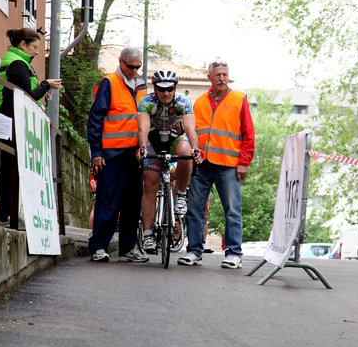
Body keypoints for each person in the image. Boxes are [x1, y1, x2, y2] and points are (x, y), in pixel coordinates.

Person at [178, 60, 255, 269]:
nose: (221, 78)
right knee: (194, 208)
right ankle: (194, 251)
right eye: (218, 74)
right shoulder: (200, 102)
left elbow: (249, 134)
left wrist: (244, 162)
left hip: (228, 164)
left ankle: (234, 254)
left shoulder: (239, 99)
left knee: (232, 209)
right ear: (209, 77)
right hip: (202, 164)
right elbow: (191, 131)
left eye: (224, 74)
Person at [0, 27, 61, 227]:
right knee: (7, 168)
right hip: (9, 120)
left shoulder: (19, 62)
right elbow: (29, 94)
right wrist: (46, 84)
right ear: (23, 45)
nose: (38, 52)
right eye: (35, 47)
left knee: (10, 167)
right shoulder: (17, 64)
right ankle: (5, 216)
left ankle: (8, 214)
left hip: (10, 119)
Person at [87, 46, 148, 262]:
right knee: (108, 201)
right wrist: (96, 152)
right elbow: (95, 119)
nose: (134, 70)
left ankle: (128, 247)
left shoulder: (141, 86)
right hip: (111, 155)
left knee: (133, 202)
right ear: (121, 62)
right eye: (130, 66)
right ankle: (98, 246)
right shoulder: (109, 83)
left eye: (137, 67)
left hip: (134, 155)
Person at [137, 69, 202, 254]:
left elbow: (190, 128)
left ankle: (181, 195)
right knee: (150, 183)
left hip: (174, 138)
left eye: (170, 89)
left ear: (175, 87)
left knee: (186, 150)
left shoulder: (183, 102)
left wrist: (196, 149)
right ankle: (148, 234)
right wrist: (142, 147)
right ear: (155, 88)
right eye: (161, 89)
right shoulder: (146, 102)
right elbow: (143, 127)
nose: (166, 93)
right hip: (152, 140)